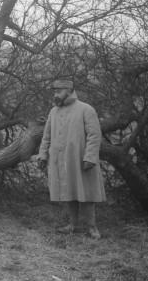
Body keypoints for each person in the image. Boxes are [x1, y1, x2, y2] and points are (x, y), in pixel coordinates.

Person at [37, 79, 105, 239]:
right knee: (68, 192)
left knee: (86, 192)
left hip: (80, 159)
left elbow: (95, 136)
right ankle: (73, 225)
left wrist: (90, 157)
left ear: (69, 90)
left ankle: (92, 227)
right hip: (60, 160)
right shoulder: (53, 112)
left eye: (59, 91)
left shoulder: (85, 109)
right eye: (55, 92)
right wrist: (42, 154)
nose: (56, 95)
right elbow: (46, 136)